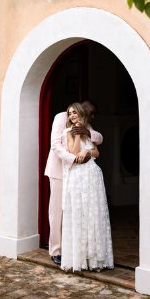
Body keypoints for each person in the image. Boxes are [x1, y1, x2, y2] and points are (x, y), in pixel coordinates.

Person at [43, 101, 103, 265]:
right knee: (56, 212)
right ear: (82, 107)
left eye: (92, 114)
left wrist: (88, 133)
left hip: (76, 176)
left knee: (74, 212)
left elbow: (100, 139)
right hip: (58, 171)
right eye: (90, 112)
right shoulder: (60, 118)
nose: (91, 116)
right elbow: (55, 146)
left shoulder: (84, 122)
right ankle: (55, 250)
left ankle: (72, 251)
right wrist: (75, 159)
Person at [59, 102, 114, 273]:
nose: (72, 116)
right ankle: (80, 259)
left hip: (92, 175)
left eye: (75, 112)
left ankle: (95, 259)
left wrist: (88, 151)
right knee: (79, 213)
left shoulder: (89, 131)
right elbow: (74, 153)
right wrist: (77, 136)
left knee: (93, 214)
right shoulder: (67, 133)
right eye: (69, 113)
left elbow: (96, 152)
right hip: (77, 176)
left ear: (81, 114)